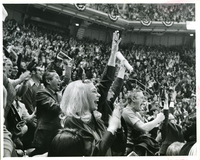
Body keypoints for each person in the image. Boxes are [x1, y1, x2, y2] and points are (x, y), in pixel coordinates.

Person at [60, 79, 125, 156]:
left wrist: (118, 126)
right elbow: (93, 154)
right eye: (94, 91)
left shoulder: (95, 119)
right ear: (82, 96)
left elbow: (118, 148)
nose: (99, 95)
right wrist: (111, 128)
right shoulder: (72, 121)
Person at [122, 90, 165, 156]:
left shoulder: (136, 113)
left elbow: (147, 128)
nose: (144, 100)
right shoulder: (127, 112)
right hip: (131, 149)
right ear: (133, 99)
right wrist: (157, 119)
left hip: (138, 146)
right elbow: (144, 128)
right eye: (142, 98)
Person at [30, 70, 62, 156]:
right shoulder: (41, 93)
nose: (60, 81)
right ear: (48, 81)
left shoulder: (58, 95)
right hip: (45, 137)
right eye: (57, 78)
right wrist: (67, 100)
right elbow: (54, 108)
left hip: (55, 134)